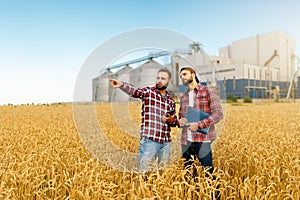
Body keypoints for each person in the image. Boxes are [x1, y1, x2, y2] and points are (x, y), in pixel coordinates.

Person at [110, 68, 177, 174]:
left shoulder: (171, 100)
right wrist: (122, 85)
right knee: (143, 172)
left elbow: (173, 122)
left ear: (169, 81)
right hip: (150, 140)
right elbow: (136, 91)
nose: (159, 80)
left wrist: (172, 120)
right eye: (158, 78)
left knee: (163, 174)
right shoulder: (149, 92)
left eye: (163, 78)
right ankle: (142, 190)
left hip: (165, 141)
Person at [178, 66, 223, 178]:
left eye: (184, 74)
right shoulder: (183, 97)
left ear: (193, 74)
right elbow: (181, 117)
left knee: (208, 174)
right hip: (186, 141)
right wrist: (181, 121)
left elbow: (218, 114)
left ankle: (212, 195)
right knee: (189, 176)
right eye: (180, 76)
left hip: (203, 141)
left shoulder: (208, 91)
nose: (182, 77)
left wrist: (199, 124)